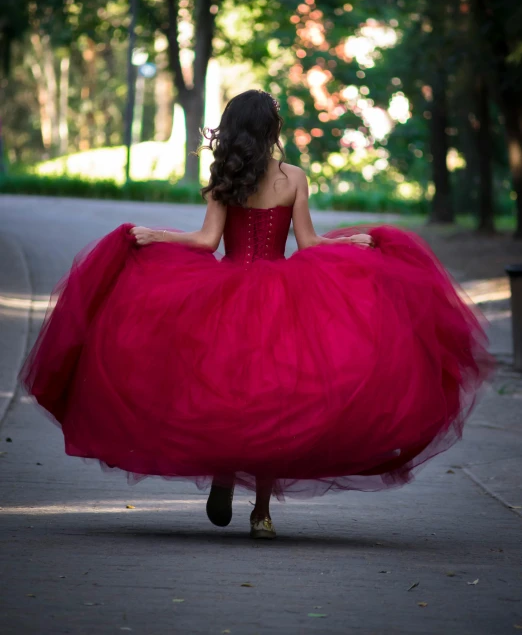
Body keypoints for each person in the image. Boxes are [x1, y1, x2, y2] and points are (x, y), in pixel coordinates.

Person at [20, 89, 493, 540]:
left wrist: (156, 236)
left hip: (225, 295)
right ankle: (262, 514)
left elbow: (206, 243)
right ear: (272, 130)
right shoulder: (293, 177)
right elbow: (307, 245)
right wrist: (346, 244)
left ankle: (225, 472)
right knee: (276, 401)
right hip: (281, 293)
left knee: (225, 388)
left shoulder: (225, 176)